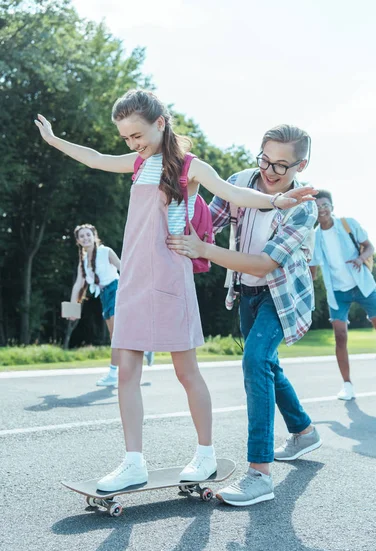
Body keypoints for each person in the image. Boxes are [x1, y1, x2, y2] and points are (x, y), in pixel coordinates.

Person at [35, 90, 315, 493]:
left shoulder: (189, 167)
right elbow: (95, 158)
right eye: (126, 138)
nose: (132, 144)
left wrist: (275, 199)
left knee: (186, 372)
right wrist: (55, 141)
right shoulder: (136, 164)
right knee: (126, 372)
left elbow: (235, 194)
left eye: (137, 134)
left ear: (160, 123)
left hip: (170, 278)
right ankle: (133, 462)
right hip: (132, 278)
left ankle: (204, 455)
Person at [167, 124, 321, 506]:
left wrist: (202, 248)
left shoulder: (304, 206)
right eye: (265, 159)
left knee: (255, 361)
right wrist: (186, 189)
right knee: (266, 364)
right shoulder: (239, 183)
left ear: (301, 164)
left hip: (281, 297)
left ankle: (259, 474)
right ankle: (304, 432)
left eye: (282, 166)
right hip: (246, 293)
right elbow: (207, 222)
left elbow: (263, 263)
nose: (270, 171)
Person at [309, 191, 376, 401]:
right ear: (313, 212)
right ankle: (347, 385)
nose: (322, 209)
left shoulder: (348, 224)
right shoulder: (315, 236)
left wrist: (361, 259)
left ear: (332, 206)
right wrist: (307, 289)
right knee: (340, 336)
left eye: (325, 204)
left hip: (362, 284)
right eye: (317, 207)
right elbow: (313, 266)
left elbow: (370, 246)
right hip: (337, 292)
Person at [69, 223, 155, 387]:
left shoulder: (105, 252)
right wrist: (71, 310)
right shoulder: (84, 262)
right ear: (78, 241)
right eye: (82, 236)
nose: (85, 238)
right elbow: (78, 285)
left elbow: (123, 268)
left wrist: (138, 290)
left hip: (116, 290)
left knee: (116, 336)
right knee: (115, 336)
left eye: (88, 234)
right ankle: (145, 348)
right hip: (104, 296)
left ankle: (112, 373)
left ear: (94, 235)